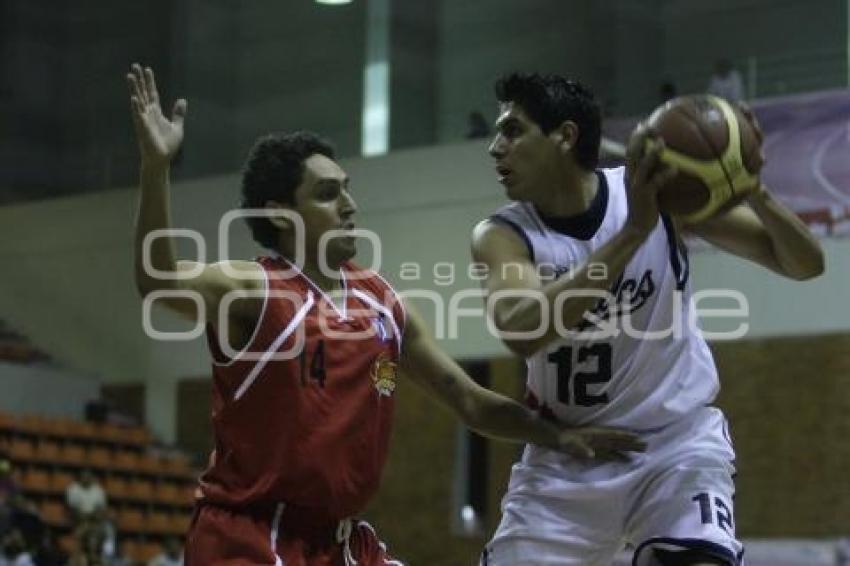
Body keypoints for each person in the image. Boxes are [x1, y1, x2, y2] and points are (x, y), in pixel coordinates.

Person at [126, 64, 643, 565]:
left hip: (342, 540)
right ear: (281, 212)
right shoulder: (254, 288)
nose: (350, 204)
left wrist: (558, 436)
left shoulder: (382, 302)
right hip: (252, 534)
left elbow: (468, 399)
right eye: (328, 194)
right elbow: (158, 279)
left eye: (347, 187)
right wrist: (156, 168)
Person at [471, 72, 824, 565]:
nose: (495, 147)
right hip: (569, 460)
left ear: (565, 137)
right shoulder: (503, 235)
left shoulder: (657, 196)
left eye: (512, 130)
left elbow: (804, 264)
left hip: (675, 447)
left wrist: (754, 191)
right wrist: (633, 234)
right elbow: (522, 330)